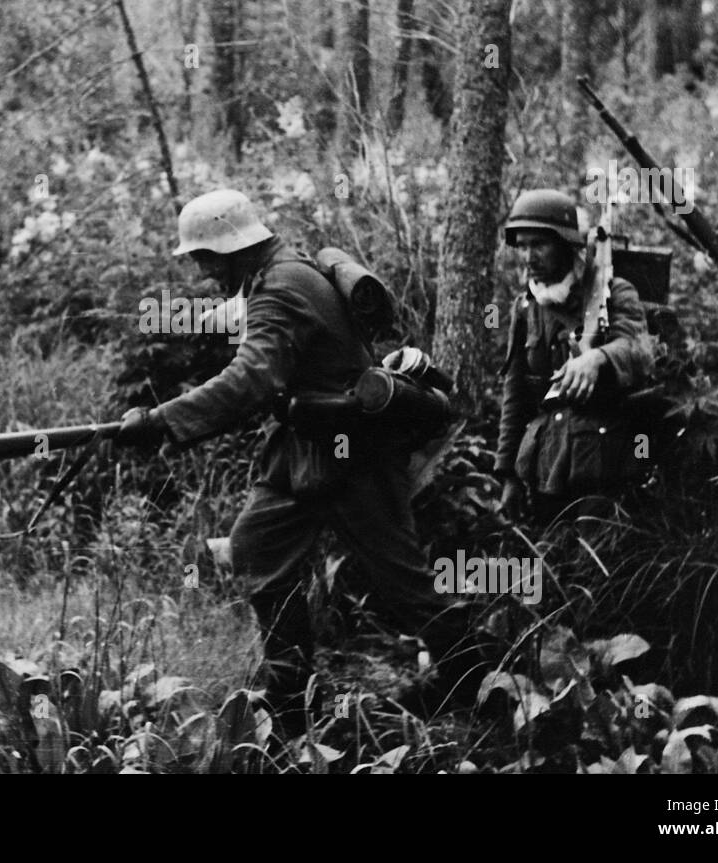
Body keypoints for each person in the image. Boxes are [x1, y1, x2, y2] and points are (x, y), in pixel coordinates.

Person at [118, 189, 464, 734]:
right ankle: (289, 696)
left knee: (404, 583)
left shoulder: (279, 287)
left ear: (232, 248)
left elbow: (251, 379)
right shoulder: (277, 273)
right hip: (303, 452)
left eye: (206, 259)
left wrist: (162, 420)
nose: (204, 273)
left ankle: (478, 676)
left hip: (353, 456)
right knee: (256, 547)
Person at [496, 190, 654, 528]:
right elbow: (516, 393)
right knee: (548, 570)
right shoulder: (525, 308)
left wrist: (598, 358)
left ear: (566, 245)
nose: (528, 256)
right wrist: (507, 474)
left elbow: (640, 351)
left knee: (600, 573)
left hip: (602, 462)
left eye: (539, 244)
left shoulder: (614, 291)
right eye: (522, 246)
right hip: (544, 466)